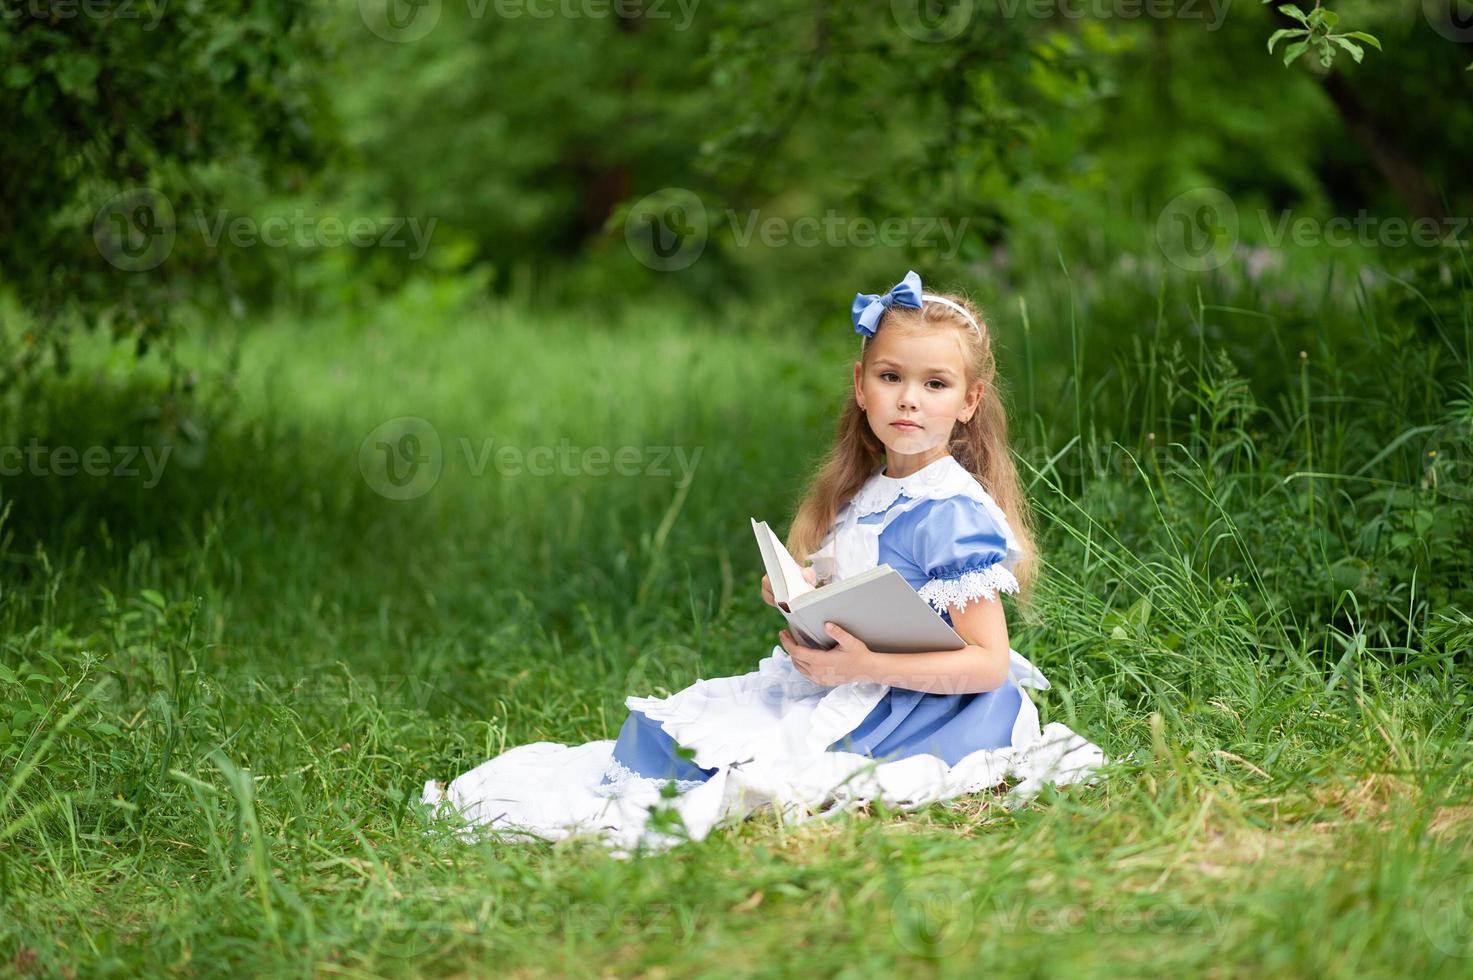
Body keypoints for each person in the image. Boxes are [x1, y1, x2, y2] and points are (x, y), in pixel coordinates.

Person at [422, 271, 1106, 857]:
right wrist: (802, 596)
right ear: (860, 386)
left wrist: (859, 667)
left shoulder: (951, 511)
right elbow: (870, 592)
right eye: (890, 377)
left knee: (708, 760)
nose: (908, 399)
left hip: (914, 704)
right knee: (656, 731)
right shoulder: (871, 490)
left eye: (934, 384)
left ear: (968, 403)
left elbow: (986, 664)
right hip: (855, 678)